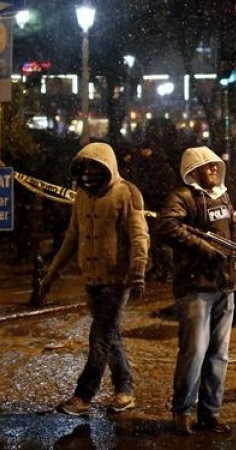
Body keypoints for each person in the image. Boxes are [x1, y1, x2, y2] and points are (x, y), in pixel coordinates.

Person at [38, 141, 150, 416]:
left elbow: (139, 235)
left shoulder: (127, 193)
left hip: (117, 280)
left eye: (95, 166)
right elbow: (72, 237)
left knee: (99, 338)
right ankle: (125, 390)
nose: (89, 172)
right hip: (92, 281)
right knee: (110, 337)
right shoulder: (81, 196)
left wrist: (137, 271)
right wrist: (52, 273)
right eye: (84, 166)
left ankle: (83, 395)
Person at [154, 146, 236, 436]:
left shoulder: (223, 195)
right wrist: (206, 249)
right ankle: (182, 411)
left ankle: (210, 413)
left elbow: (233, 226)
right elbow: (166, 227)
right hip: (196, 287)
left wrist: (235, 249)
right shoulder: (182, 196)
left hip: (224, 285)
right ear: (193, 170)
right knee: (194, 352)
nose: (214, 170)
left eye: (215, 165)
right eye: (207, 167)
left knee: (219, 354)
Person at [132, 141, 178, 282]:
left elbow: (162, 189)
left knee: (161, 242)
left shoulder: (159, 168)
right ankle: (160, 269)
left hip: (159, 208)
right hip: (154, 207)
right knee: (155, 241)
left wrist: (148, 193)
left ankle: (168, 270)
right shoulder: (153, 167)